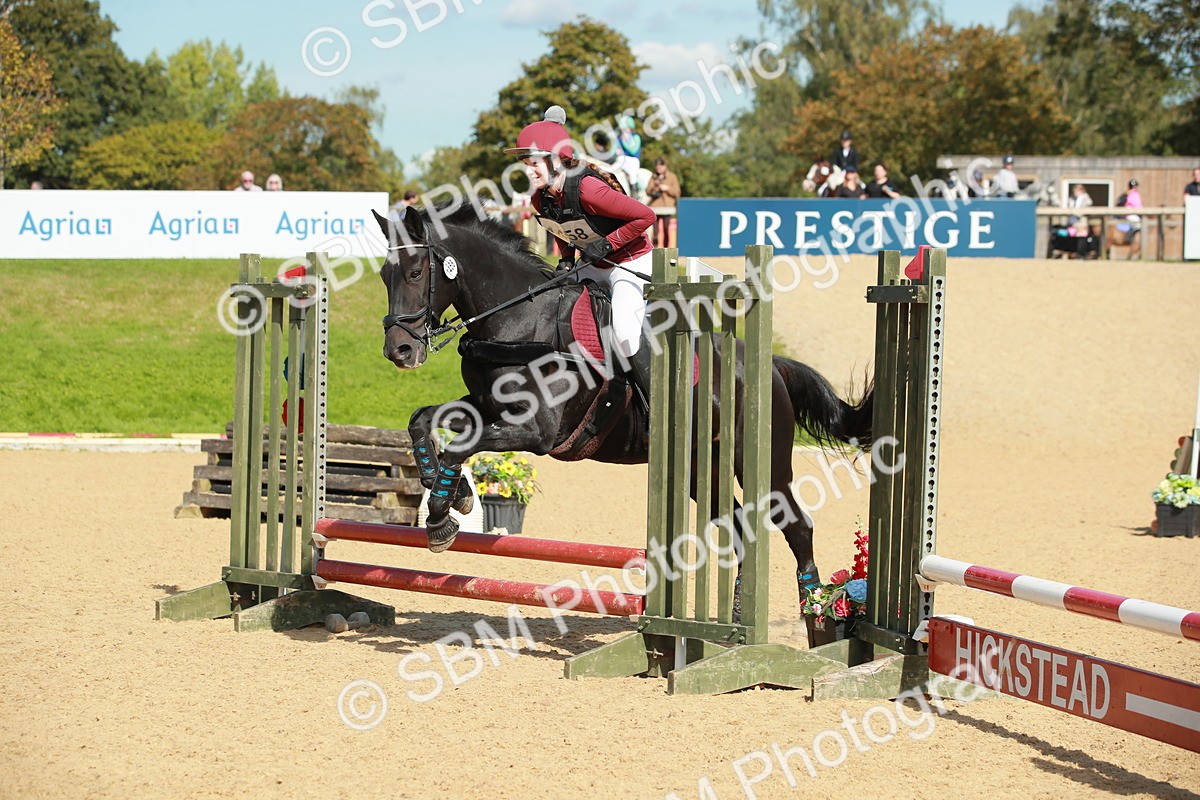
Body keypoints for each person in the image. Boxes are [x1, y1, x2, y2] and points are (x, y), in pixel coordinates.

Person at [505, 105, 655, 397]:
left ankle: (650, 401)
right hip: (591, 263)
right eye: (525, 162)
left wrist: (607, 244)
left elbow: (646, 216)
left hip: (630, 261)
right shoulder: (540, 199)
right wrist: (565, 259)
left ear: (556, 161)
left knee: (624, 335)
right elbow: (562, 227)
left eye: (533, 162)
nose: (527, 169)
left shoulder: (588, 189)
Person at [644, 158, 681, 247]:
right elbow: (647, 191)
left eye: (660, 166)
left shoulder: (672, 177)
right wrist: (655, 187)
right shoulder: (653, 177)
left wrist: (667, 188)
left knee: (666, 229)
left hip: (667, 207)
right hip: (655, 207)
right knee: (655, 231)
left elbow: (677, 192)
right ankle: (654, 249)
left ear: (664, 166)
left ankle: (666, 249)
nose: (659, 168)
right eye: (657, 166)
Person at [613, 115, 643, 198]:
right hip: (621, 159)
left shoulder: (636, 137)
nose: (623, 131)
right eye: (622, 129)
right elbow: (616, 151)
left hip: (633, 160)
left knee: (632, 176)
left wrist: (624, 141)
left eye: (625, 129)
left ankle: (635, 194)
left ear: (630, 128)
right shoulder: (619, 138)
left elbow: (633, 151)